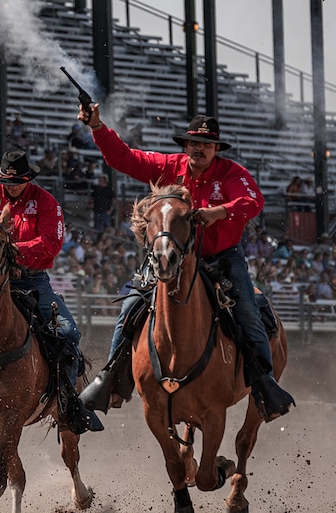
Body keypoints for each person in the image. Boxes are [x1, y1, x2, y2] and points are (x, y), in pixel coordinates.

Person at [77, 106, 295, 422]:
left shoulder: (232, 174)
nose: (199, 149)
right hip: (173, 257)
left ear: (216, 149)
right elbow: (123, 158)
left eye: (206, 144)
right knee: (132, 305)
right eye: (194, 143)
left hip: (222, 258)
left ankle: (264, 384)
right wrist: (97, 126)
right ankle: (111, 377)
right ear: (186, 146)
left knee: (248, 311)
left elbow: (254, 202)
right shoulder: (170, 166)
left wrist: (218, 212)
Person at [0, 150, 103, 434]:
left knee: (67, 333)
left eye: (20, 180)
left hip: (31, 281)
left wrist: (10, 251)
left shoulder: (46, 203)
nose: (14, 185)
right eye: (9, 180)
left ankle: (68, 403)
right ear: (0, 177)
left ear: (29, 179)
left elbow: (51, 244)